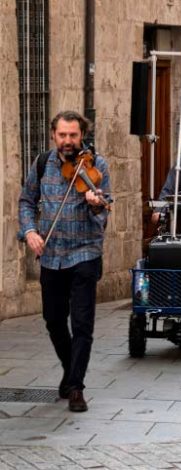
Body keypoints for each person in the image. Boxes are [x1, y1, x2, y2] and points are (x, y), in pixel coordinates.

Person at [18, 110, 111, 412]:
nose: (68, 141)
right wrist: (30, 230)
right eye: (63, 135)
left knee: (82, 323)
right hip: (52, 254)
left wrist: (96, 205)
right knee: (53, 319)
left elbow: (104, 212)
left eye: (73, 135)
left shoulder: (97, 166)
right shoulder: (42, 163)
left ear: (81, 135)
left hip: (85, 252)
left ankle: (76, 387)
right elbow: (26, 201)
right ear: (54, 135)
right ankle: (70, 370)